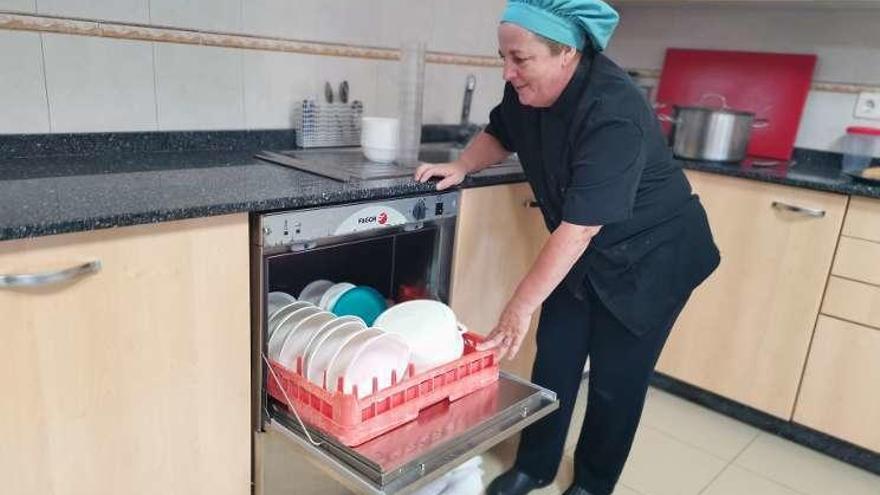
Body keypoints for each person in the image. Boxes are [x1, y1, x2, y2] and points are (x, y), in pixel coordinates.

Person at [414, 1, 721, 494]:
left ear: (567, 53)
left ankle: (593, 485)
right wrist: (463, 166)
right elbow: (500, 131)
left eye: (519, 59)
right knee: (554, 360)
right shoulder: (528, 87)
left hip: (652, 258)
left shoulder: (612, 109)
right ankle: (534, 467)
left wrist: (519, 307)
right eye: (503, 57)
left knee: (615, 384)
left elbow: (579, 229)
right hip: (587, 253)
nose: (507, 71)